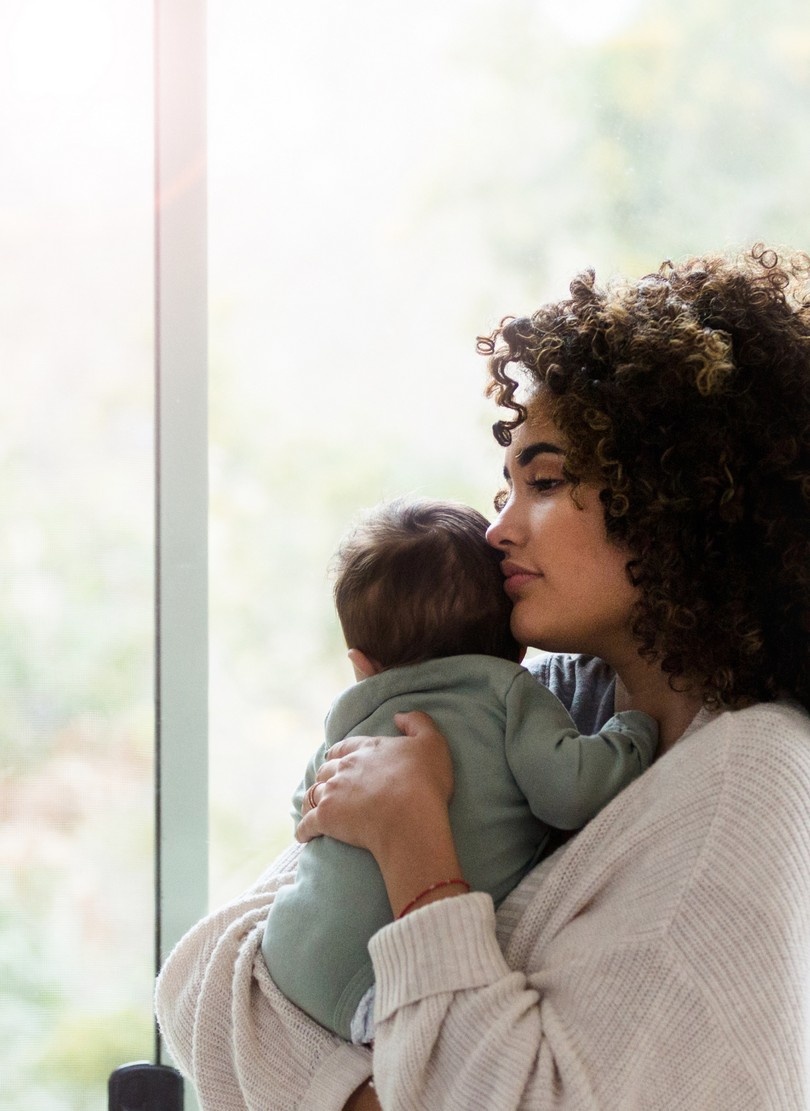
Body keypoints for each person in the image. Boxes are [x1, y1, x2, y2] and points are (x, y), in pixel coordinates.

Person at [155, 245, 810, 1110]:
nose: (497, 529)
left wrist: (416, 846)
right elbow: (207, 977)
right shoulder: (550, 694)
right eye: (506, 487)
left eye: (544, 480)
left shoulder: (746, 783)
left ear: (675, 497)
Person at [261, 497, 657, 1042]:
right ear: (516, 648)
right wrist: (632, 733)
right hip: (389, 977)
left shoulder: (351, 714)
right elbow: (569, 792)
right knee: (413, 1063)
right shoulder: (508, 693)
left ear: (361, 665)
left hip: (288, 952)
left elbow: (306, 813)